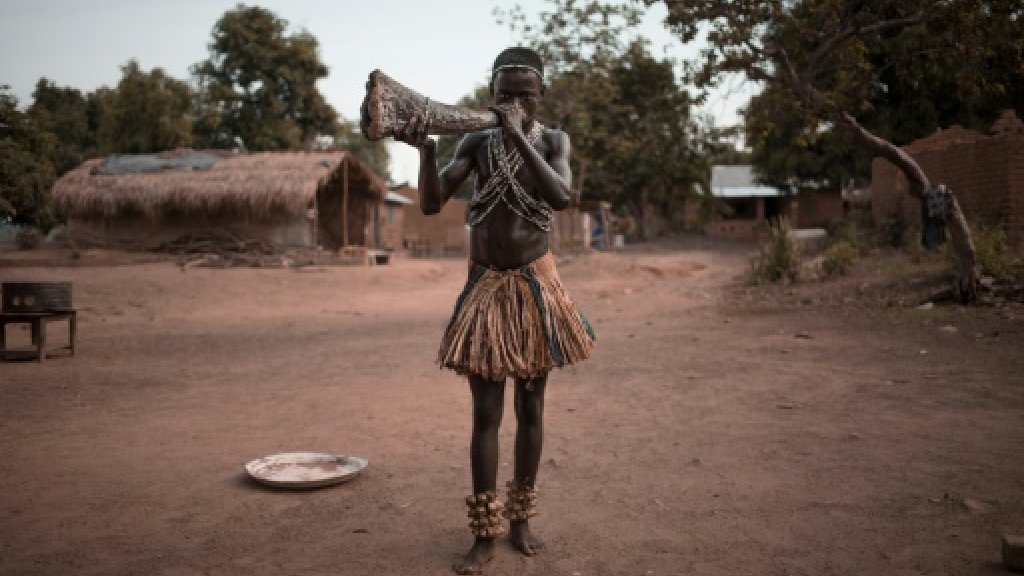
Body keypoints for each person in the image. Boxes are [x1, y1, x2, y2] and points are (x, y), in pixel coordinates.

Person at [396, 47, 595, 575]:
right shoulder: (475, 140)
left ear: (540, 95)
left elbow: (561, 196)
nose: (514, 103)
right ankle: (483, 532)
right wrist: (423, 152)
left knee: (531, 409)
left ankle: (521, 521)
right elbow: (434, 204)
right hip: (485, 291)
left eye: (524, 95)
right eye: (504, 94)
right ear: (491, 94)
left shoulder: (554, 141)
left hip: (534, 290)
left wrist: (516, 139)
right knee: (485, 414)